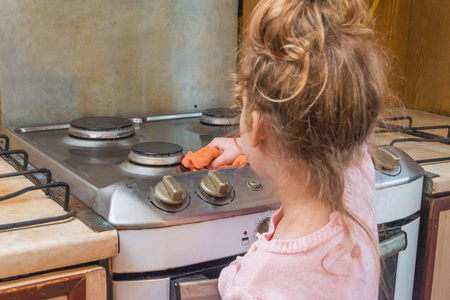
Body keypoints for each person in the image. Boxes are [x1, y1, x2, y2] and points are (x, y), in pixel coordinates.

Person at [207, 0, 387, 299]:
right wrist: (245, 142)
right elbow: (332, 123)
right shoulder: (357, 177)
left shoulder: (256, 286)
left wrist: (232, 279)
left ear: (258, 125)